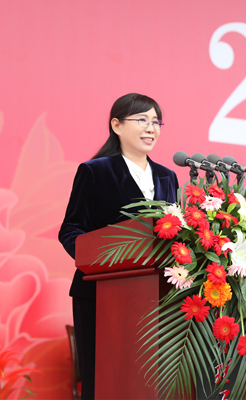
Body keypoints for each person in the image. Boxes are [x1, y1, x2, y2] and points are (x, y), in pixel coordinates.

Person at [59, 93, 179, 400]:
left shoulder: (168, 177)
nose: (151, 128)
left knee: (149, 384)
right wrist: (99, 260)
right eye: (142, 120)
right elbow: (71, 229)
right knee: (103, 381)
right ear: (116, 125)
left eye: (156, 122)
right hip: (100, 294)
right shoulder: (95, 171)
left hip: (157, 297)